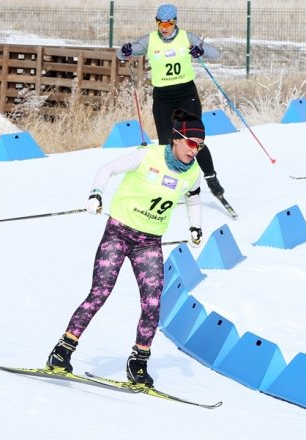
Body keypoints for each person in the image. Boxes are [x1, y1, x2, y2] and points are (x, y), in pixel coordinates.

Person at [45, 109, 206, 387]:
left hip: (149, 242)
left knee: (153, 304)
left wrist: (195, 226)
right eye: (192, 144)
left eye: (200, 146)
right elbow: (107, 169)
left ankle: (138, 363)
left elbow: (193, 198)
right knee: (100, 293)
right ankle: (62, 350)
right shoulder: (148, 156)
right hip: (118, 234)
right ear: (177, 139)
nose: (195, 151)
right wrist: (96, 194)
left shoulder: (193, 173)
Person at [116, 4, 227, 198]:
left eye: (169, 23)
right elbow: (121, 53)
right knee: (166, 144)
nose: (164, 27)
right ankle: (172, 184)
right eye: (160, 23)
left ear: (175, 21)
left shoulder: (186, 37)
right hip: (163, 98)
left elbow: (216, 53)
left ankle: (210, 177)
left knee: (192, 139)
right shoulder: (149, 40)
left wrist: (200, 51)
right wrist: (125, 50)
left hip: (186, 94)